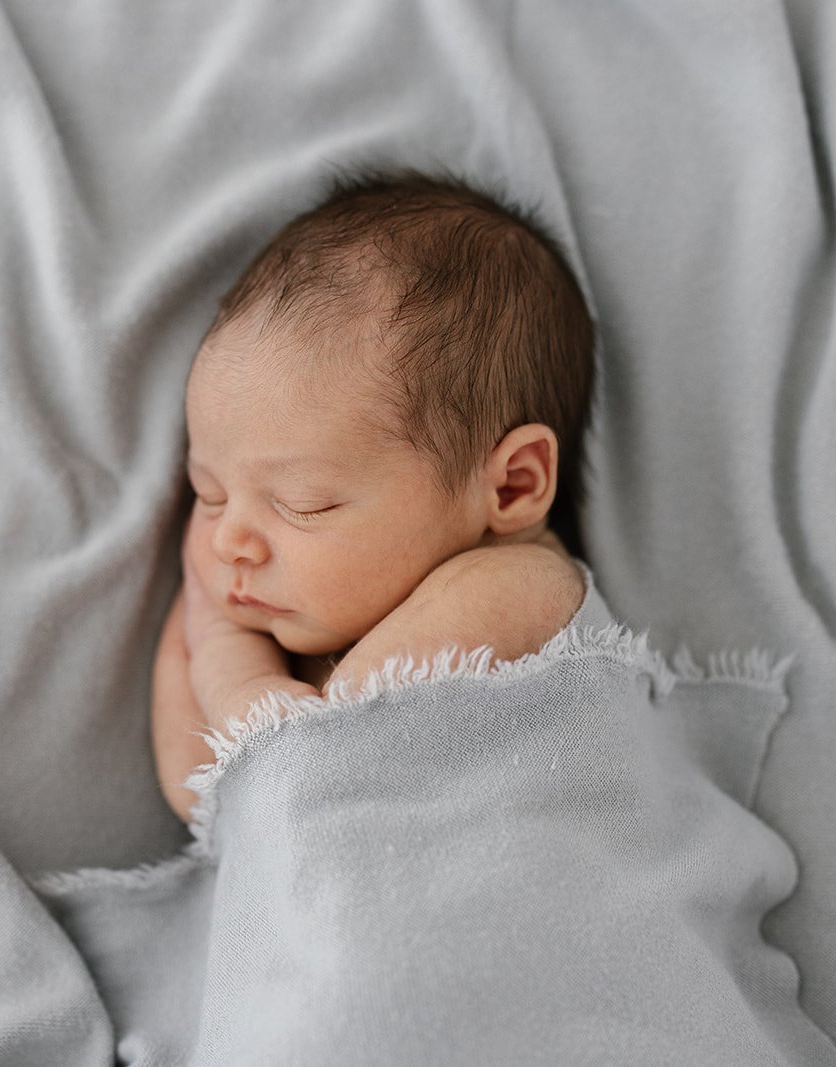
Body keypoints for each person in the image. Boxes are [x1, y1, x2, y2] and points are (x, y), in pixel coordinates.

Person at [150, 170, 601, 820]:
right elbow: (197, 791)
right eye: (210, 492)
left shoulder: (522, 585)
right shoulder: (284, 641)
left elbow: (333, 749)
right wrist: (225, 651)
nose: (227, 541)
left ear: (511, 484)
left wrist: (243, 685)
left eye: (302, 503)